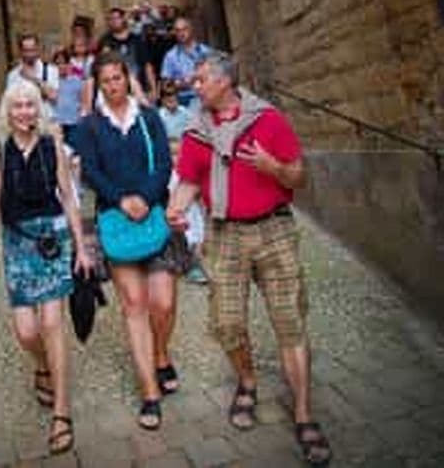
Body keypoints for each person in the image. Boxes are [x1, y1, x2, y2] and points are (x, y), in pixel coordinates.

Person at [167, 52, 332, 466]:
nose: (194, 84)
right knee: (226, 322)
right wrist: (177, 208)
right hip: (224, 234)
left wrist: (272, 166)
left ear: (224, 82)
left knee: (289, 321)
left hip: (273, 229)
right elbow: (189, 179)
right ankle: (247, 381)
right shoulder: (196, 129)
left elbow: (298, 176)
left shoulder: (268, 120)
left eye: (202, 78)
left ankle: (304, 413)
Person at [0, 79, 91, 456]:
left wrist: (81, 247)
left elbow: (69, 199)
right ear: (7, 113)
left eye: (30, 105)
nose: (24, 112)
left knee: (52, 323)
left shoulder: (50, 144)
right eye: (17, 106)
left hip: (53, 240)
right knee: (27, 332)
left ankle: (61, 411)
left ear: (37, 110)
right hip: (17, 243)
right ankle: (42, 364)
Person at [75, 50, 179, 431]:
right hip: (115, 221)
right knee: (134, 305)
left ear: (127, 78)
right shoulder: (90, 127)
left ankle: (162, 353)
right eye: (105, 82)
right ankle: (149, 392)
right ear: (98, 85)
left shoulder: (149, 118)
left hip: (153, 215)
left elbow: (165, 164)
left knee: (163, 304)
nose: (113, 87)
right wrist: (122, 199)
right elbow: (91, 172)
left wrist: (146, 198)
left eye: (117, 79)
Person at [157, 81, 207, 285]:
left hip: (185, 160)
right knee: (182, 227)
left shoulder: (186, 114)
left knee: (196, 224)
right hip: (171, 164)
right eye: (167, 98)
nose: (171, 101)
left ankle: (195, 261)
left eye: (174, 97)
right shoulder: (159, 117)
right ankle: (187, 262)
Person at [92, 6, 155, 104]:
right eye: (110, 19)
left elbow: (147, 65)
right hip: (118, 92)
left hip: (141, 89)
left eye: (116, 18)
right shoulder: (105, 42)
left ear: (123, 19)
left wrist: (153, 88)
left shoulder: (136, 39)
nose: (113, 21)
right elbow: (100, 68)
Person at [159, 15, 211, 106]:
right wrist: (181, 84)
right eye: (178, 30)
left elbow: (216, 75)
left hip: (207, 95)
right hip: (184, 101)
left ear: (191, 29)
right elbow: (165, 85)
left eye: (184, 29)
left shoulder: (205, 51)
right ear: (174, 33)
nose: (181, 33)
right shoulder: (170, 56)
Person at [6, 32, 58, 121]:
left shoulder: (50, 70)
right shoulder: (13, 76)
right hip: (24, 123)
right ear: (21, 51)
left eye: (32, 50)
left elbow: (54, 97)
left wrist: (34, 79)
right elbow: (10, 103)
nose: (30, 54)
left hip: (48, 121)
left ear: (38, 49)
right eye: (26, 50)